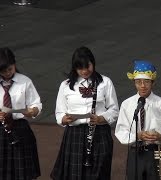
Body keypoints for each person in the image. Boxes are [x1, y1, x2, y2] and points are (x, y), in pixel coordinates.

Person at [50, 46, 119, 180]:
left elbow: (114, 110)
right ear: (74, 68)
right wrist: (64, 119)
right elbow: (59, 113)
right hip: (75, 134)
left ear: (93, 63)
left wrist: (101, 118)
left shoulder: (105, 82)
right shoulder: (65, 85)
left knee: (99, 174)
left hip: (99, 132)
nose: (85, 71)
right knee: (74, 174)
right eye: (80, 68)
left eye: (88, 66)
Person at [0, 47, 42, 180]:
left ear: (14, 64)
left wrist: (33, 111)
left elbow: (36, 103)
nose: (7, 73)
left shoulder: (24, 81)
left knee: (22, 172)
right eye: (3, 70)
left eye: (10, 69)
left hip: (21, 128)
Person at [115, 60, 161, 180]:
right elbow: (120, 132)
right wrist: (137, 136)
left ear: (153, 83)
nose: (142, 86)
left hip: (156, 152)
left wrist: (160, 137)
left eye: (146, 82)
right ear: (134, 83)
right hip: (135, 152)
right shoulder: (127, 104)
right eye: (138, 82)